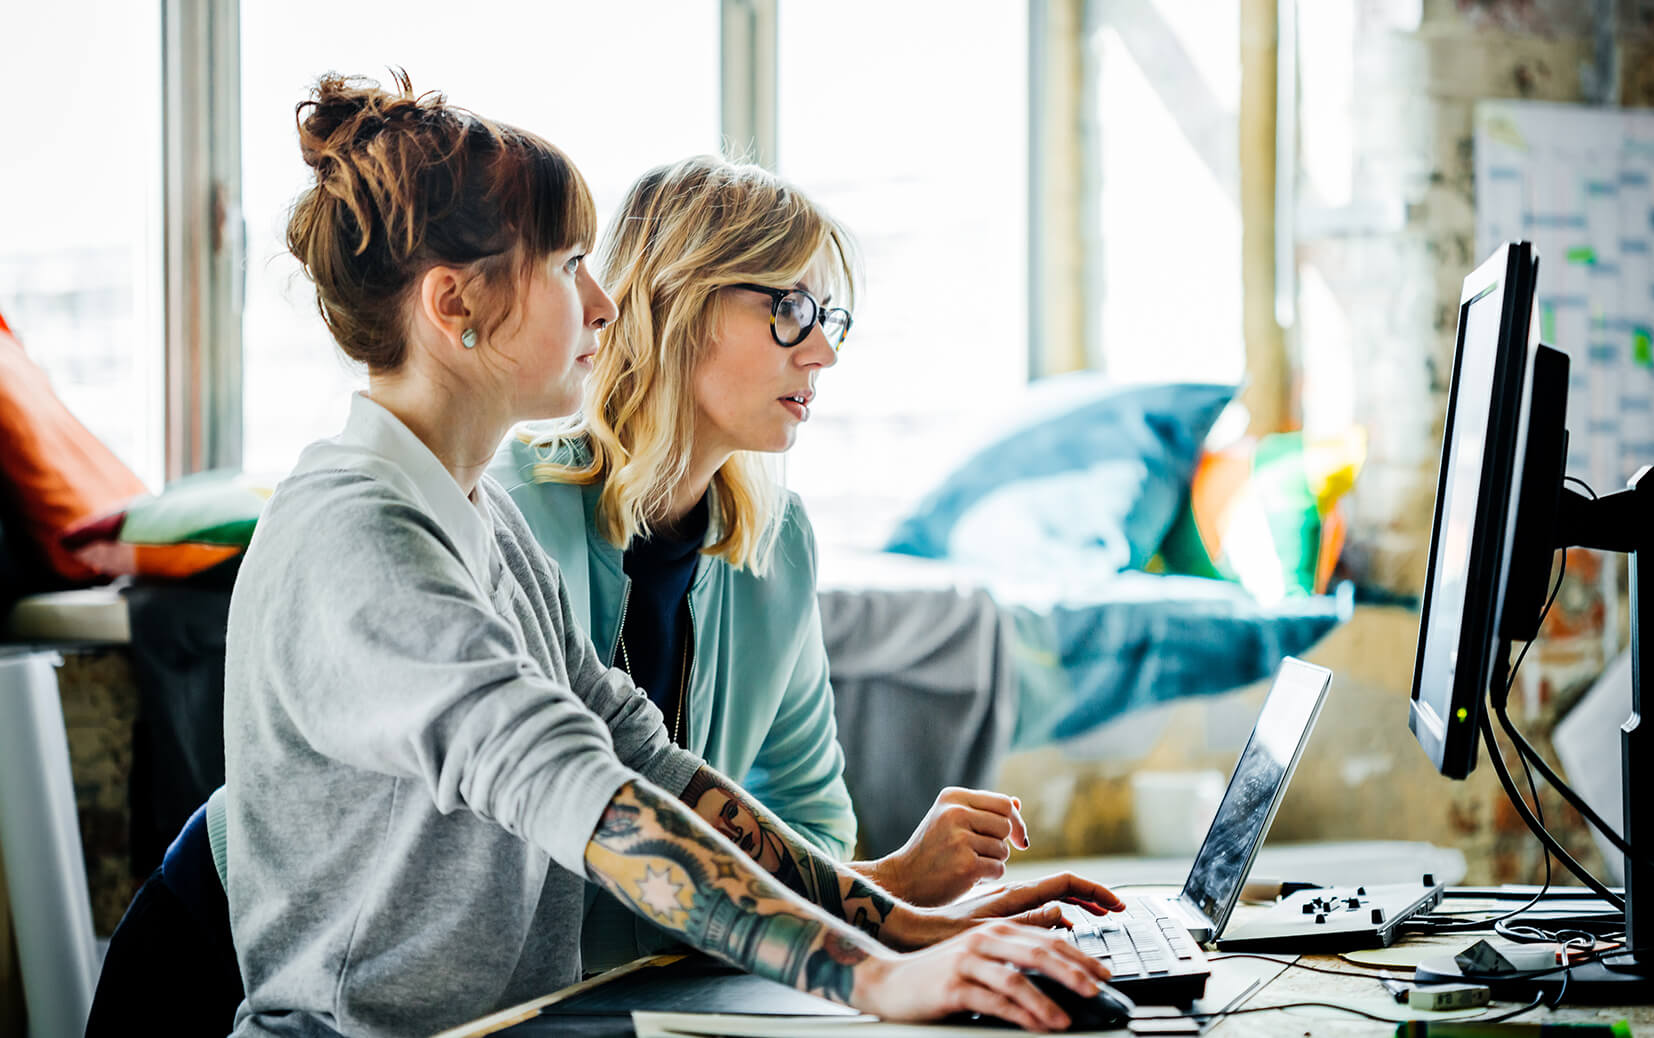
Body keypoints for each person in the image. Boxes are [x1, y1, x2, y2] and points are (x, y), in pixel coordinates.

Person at [216, 72, 1118, 1037]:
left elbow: (647, 760)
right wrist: (873, 978)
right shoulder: (360, 534)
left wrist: (903, 929)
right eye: (568, 266)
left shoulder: (478, 519)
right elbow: (581, 790)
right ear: (455, 307)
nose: (606, 303)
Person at [489, 159, 1032, 939]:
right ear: (675, 300)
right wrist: (886, 894)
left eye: (828, 318)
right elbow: (530, 885)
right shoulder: (512, 512)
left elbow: (813, 820)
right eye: (792, 308)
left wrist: (871, 897)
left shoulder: (778, 544)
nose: (822, 353)